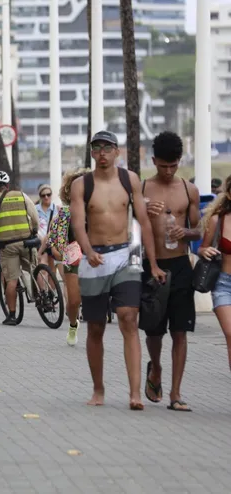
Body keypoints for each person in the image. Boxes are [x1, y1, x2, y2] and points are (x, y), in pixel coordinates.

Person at [70, 130, 166, 410]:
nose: (102, 153)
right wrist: (87, 250)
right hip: (94, 258)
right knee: (96, 327)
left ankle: (134, 393)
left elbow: (144, 222)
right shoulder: (81, 184)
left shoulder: (130, 180)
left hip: (126, 255)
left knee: (128, 317)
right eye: (97, 148)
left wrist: (154, 263)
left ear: (116, 152)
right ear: (92, 153)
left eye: (107, 148)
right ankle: (98, 390)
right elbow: (78, 223)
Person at [140, 131, 200, 412]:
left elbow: (200, 230)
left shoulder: (189, 190)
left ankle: (176, 393)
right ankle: (156, 368)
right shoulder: (142, 189)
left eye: (173, 165)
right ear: (154, 161)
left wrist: (184, 231)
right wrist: (141, 209)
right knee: (154, 330)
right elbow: (132, 226)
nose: (168, 171)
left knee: (180, 330)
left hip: (180, 264)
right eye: (163, 165)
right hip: (152, 265)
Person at [0, 171, 39, 326]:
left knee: (11, 280)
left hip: (8, 246)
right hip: (27, 241)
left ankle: (11, 315)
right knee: (35, 270)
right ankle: (44, 296)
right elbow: (34, 216)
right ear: (7, 185)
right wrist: (34, 230)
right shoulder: (21, 195)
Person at [49, 168, 90, 346]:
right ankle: (73, 324)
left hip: (95, 258)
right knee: (73, 301)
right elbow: (55, 238)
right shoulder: (65, 213)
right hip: (73, 257)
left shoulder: (97, 209)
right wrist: (59, 250)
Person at [198, 175, 231, 375]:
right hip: (223, 284)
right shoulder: (217, 220)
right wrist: (204, 251)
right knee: (230, 334)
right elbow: (203, 247)